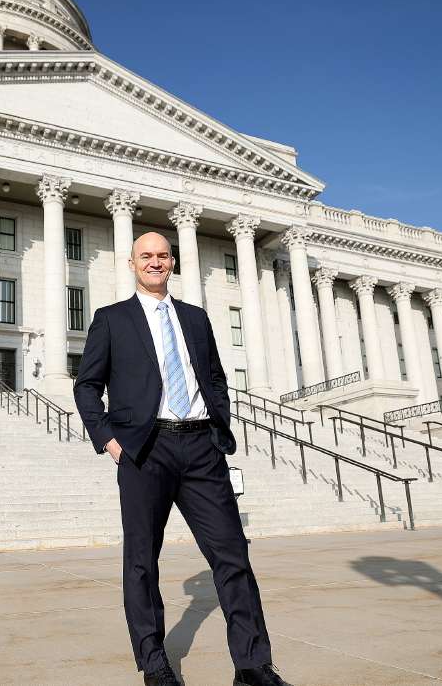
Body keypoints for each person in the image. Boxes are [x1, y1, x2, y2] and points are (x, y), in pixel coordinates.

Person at [74, 232, 291, 686]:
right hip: (144, 450)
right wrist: (110, 441)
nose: (155, 262)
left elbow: (214, 375)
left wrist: (219, 427)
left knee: (233, 557)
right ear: (132, 263)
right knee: (141, 562)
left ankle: (252, 665)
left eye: (162, 255)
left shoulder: (195, 318)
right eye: (146, 256)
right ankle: (155, 665)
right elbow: (86, 385)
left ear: (172, 262)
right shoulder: (111, 319)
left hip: (200, 449)